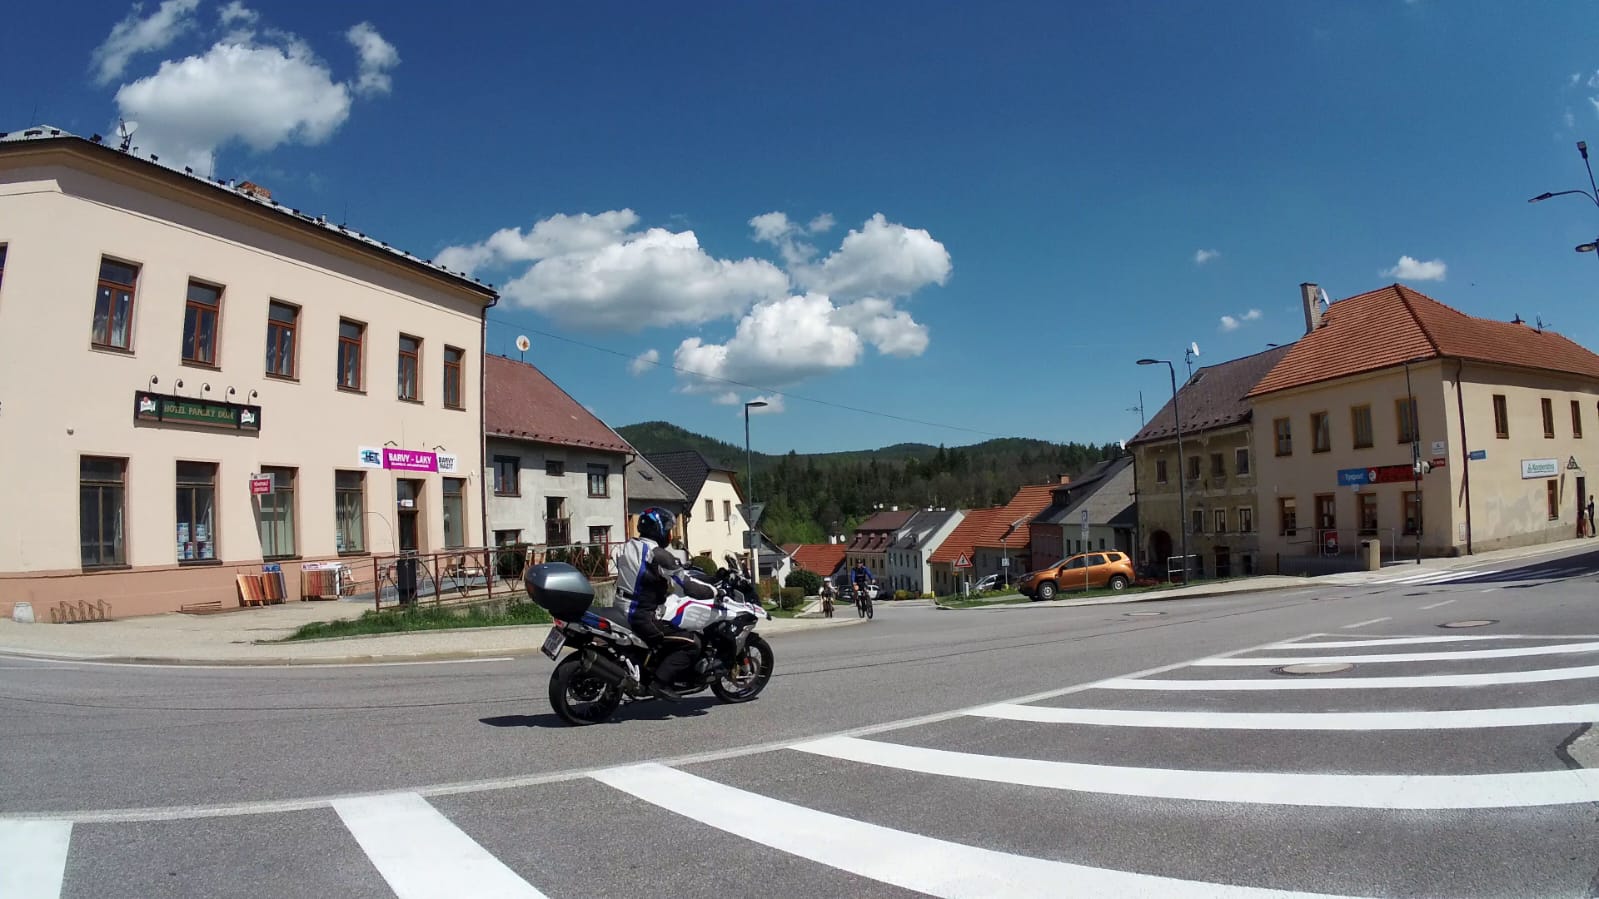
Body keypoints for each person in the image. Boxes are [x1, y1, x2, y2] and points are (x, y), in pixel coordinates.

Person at [612, 507, 715, 701]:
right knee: (692, 643)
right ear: (658, 530)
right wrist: (715, 592)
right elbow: (689, 587)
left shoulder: (627, 546)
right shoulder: (658, 555)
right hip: (642, 615)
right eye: (667, 529)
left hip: (621, 607)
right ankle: (660, 684)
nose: (669, 533)